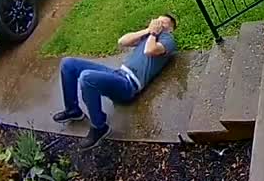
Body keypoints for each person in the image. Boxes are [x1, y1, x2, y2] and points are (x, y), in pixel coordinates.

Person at [53, 14, 178, 149]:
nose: (158, 24)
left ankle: (99, 127)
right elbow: (122, 41)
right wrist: (148, 31)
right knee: (68, 63)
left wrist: (153, 33)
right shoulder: (149, 36)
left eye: (163, 23)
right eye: (157, 21)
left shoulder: (168, 40)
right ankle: (73, 110)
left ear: (170, 29)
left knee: (86, 77)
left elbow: (150, 51)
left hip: (129, 85)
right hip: (118, 74)